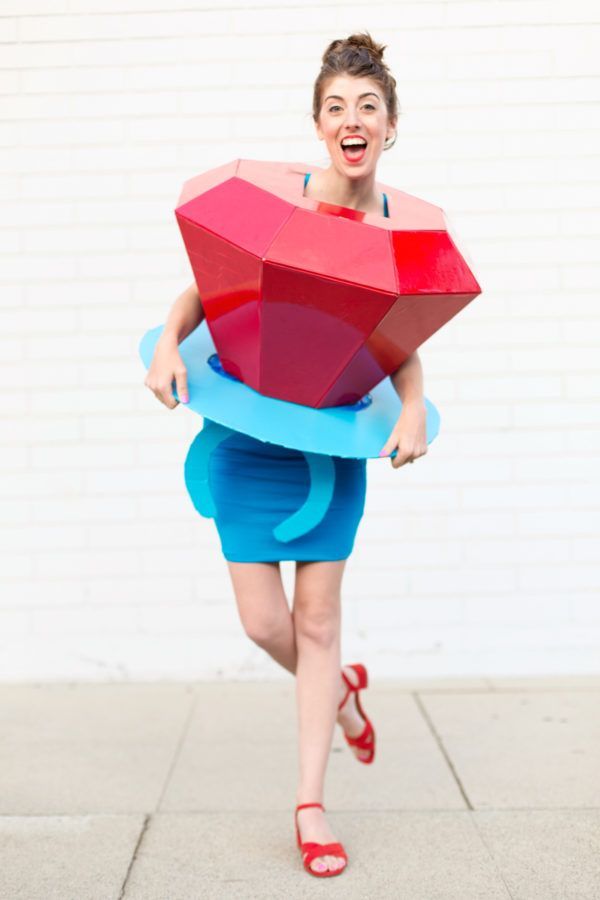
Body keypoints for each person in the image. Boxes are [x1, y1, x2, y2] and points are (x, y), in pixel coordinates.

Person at [144, 32, 428, 878]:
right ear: (317, 124)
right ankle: (339, 692)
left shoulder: (393, 236)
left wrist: (411, 410)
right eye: (336, 106)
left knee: (317, 622)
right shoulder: (286, 205)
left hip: (328, 448)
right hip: (245, 436)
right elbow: (207, 288)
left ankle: (310, 807)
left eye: (368, 107)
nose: (352, 119)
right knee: (264, 624)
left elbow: (400, 346)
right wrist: (167, 346)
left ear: (390, 128)